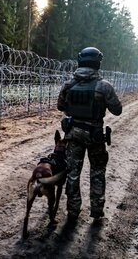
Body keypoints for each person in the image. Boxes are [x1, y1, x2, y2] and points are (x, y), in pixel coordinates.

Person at [57, 47, 122, 222]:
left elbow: (60, 106)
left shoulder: (69, 84)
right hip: (95, 135)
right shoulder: (104, 86)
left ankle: (72, 210)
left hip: (74, 133)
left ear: (80, 61)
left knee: (72, 174)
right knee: (98, 172)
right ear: (97, 63)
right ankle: (97, 210)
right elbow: (117, 110)